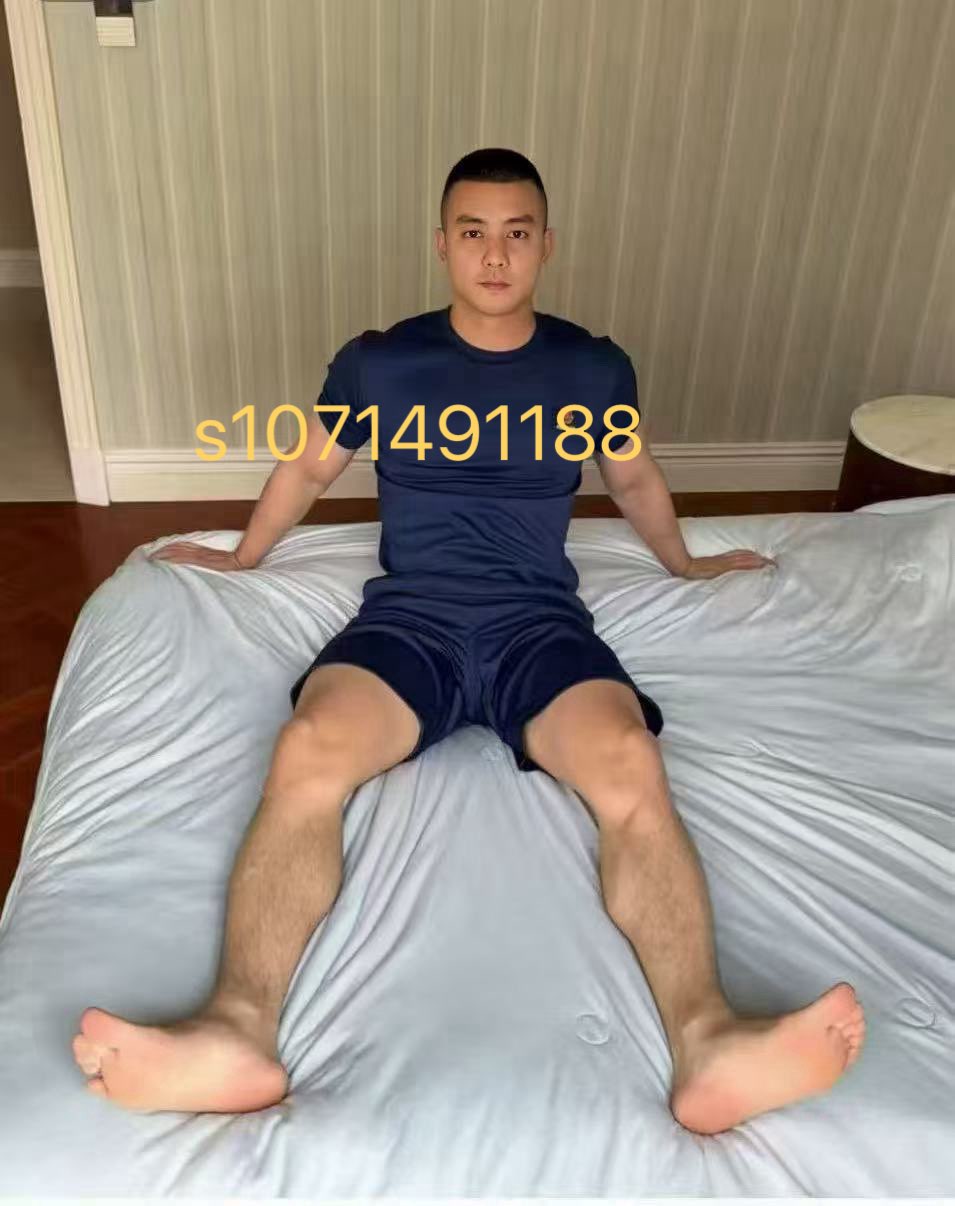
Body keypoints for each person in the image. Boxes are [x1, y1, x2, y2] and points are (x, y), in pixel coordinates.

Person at [72, 148, 865, 1134]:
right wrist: (243, 556)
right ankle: (235, 1027)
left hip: (538, 623)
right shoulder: (381, 363)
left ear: (546, 246)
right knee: (308, 749)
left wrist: (685, 565)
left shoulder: (591, 368)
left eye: (516, 233)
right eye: (474, 233)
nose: (495, 255)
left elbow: (632, 480)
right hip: (414, 620)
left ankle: (708, 1038)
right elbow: (308, 467)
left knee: (628, 760)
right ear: (442, 244)